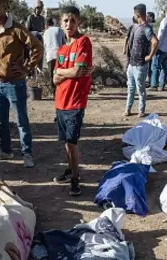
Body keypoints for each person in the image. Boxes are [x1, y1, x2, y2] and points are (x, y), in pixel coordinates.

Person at [0, 0, 43, 168]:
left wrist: (26, 68)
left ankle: (26, 153)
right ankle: (6, 151)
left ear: (6, 8)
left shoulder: (17, 29)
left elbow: (37, 46)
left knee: (21, 121)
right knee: (1, 121)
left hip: (14, 84)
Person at [52, 6, 92, 197]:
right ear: (61, 23)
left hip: (75, 102)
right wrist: (64, 72)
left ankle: (75, 179)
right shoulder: (62, 48)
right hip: (60, 102)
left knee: (72, 142)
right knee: (66, 143)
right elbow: (54, 78)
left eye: (73, 21)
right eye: (66, 21)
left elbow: (78, 71)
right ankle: (70, 171)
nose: (69, 24)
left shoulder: (83, 42)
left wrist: (62, 72)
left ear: (79, 23)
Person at [124, 4, 158, 118]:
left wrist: (150, 56)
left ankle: (141, 110)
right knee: (131, 88)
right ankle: (128, 109)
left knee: (140, 89)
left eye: (134, 13)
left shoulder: (146, 28)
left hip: (140, 65)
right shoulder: (135, 27)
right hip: (132, 64)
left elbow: (155, 41)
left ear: (137, 14)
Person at [43, 16, 66, 90]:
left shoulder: (45, 33)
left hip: (50, 56)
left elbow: (45, 46)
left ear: (46, 25)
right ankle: (61, 91)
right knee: (61, 73)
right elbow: (64, 43)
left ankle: (54, 93)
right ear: (53, 23)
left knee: (51, 75)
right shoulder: (59, 30)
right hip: (60, 55)